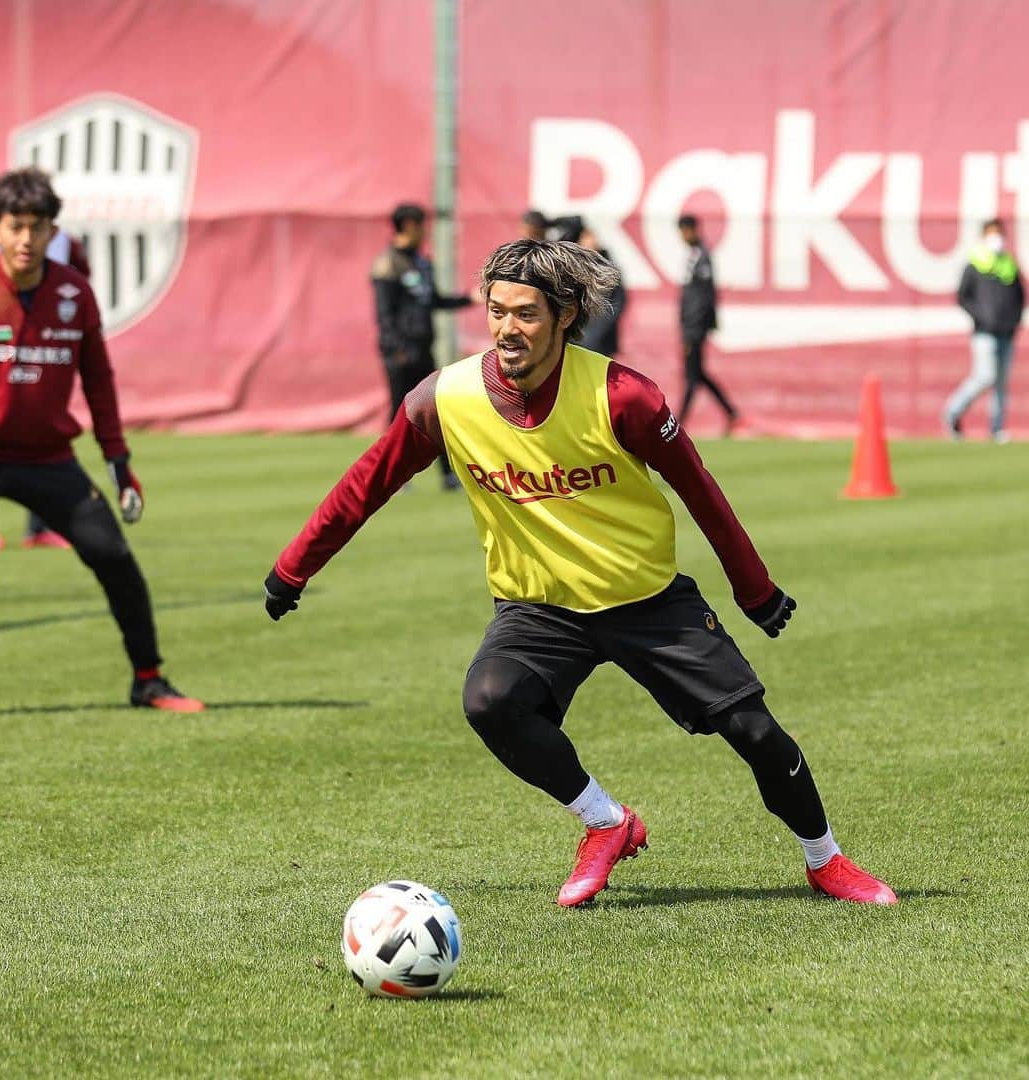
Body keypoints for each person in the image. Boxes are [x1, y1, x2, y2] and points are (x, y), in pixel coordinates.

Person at [263, 238, 896, 909]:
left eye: (527, 314)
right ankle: (606, 822)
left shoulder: (626, 398)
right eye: (497, 310)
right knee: (490, 702)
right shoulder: (443, 399)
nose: (508, 328)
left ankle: (824, 861)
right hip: (538, 609)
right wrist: (292, 569)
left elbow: (700, 489)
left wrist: (755, 589)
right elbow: (367, 483)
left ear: (564, 316)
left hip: (646, 600)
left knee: (756, 733)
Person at [0, 166, 204, 712]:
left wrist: (119, 461)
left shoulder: (74, 292)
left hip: (47, 460)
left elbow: (99, 381)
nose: (26, 239)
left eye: (38, 227)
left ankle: (149, 680)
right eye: (15, 226)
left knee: (114, 557)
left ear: (52, 232)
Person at [0, 220, 90, 550]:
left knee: (35, 439)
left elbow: (83, 272)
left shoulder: (62, 240)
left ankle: (38, 527)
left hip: (37, 347)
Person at [370, 203, 473, 489]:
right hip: (401, 353)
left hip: (424, 349)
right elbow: (384, 315)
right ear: (409, 226)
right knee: (399, 412)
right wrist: (394, 349)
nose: (426, 231)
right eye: (421, 225)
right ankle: (394, 475)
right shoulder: (387, 264)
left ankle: (448, 474)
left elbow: (435, 301)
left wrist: (468, 299)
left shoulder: (422, 263)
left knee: (435, 407)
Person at [944, 219, 1024, 443]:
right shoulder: (974, 265)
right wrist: (982, 317)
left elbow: (1019, 297)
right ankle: (953, 411)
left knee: (1001, 383)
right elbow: (963, 296)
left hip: (1007, 332)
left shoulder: (1009, 265)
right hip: (984, 332)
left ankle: (997, 429)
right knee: (985, 376)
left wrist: (1014, 321)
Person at [677, 214, 737, 434]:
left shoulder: (701, 257)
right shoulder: (695, 256)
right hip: (693, 327)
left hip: (694, 329)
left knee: (692, 378)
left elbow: (702, 298)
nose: (683, 236)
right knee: (698, 374)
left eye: (684, 231)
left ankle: (677, 423)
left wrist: (691, 331)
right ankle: (731, 412)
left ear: (691, 230)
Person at [578, 223, 626, 358]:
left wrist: (596, 333)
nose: (589, 241)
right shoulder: (574, 268)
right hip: (578, 341)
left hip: (603, 341)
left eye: (591, 236)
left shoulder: (609, 268)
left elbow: (618, 303)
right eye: (584, 236)